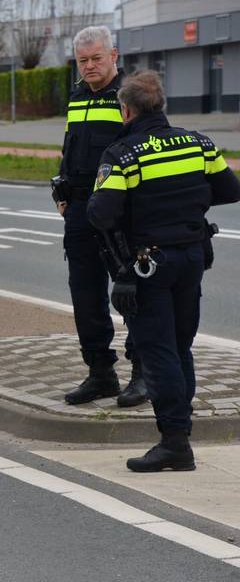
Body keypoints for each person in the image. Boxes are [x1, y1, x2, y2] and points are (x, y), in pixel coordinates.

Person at [88, 70, 238, 472]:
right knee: (180, 345)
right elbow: (229, 189)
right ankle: (179, 434)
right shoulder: (198, 142)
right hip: (192, 256)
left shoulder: (123, 154)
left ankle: (174, 442)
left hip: (149, 263)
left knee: (158, 353)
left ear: (126, 110)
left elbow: (100, 214)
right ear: (162, 105)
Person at [53, 26, 148, 408]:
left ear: (114, 55)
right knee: (85, 296)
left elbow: (143, 150)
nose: (90, 66)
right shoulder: (77, 94)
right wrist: (63, 192)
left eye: (96, 58)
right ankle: (100, 373)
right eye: (83, 60)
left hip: (119, 213)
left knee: (132, 295)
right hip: (79, 211)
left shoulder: (130, 96)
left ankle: (143, 373)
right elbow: (70, 147)